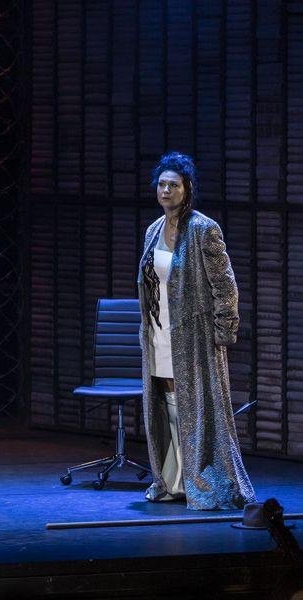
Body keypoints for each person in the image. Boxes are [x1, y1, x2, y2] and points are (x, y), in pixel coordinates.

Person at [137, 152, 255, 510]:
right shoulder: (153, 230)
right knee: (166, 400)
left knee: (195, 407)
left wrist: (224, 332)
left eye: (174, 184)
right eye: (162, 184)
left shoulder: (204, 229)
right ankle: (173, 480)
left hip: (196, 337)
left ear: (187, 189)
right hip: (159, 332)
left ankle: (201, 478)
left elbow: (226, 286)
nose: (166, 190)